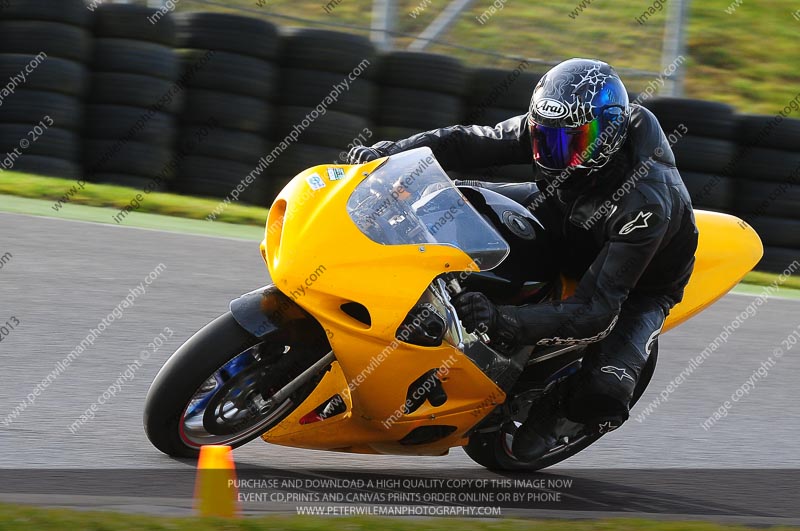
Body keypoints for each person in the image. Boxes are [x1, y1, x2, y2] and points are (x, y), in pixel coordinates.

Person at [347, 58, 698, 462]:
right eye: (546, 139)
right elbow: (465, 141)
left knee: (604, 392)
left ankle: (560, 412)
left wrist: (500, 320)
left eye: (572, 143)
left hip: (640, 282)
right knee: (443, 201)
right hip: (563, 213)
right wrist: (386, 156)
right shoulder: (553, 128)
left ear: (608, 138)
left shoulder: (646, 202)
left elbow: (595, 311)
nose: (554, 152)